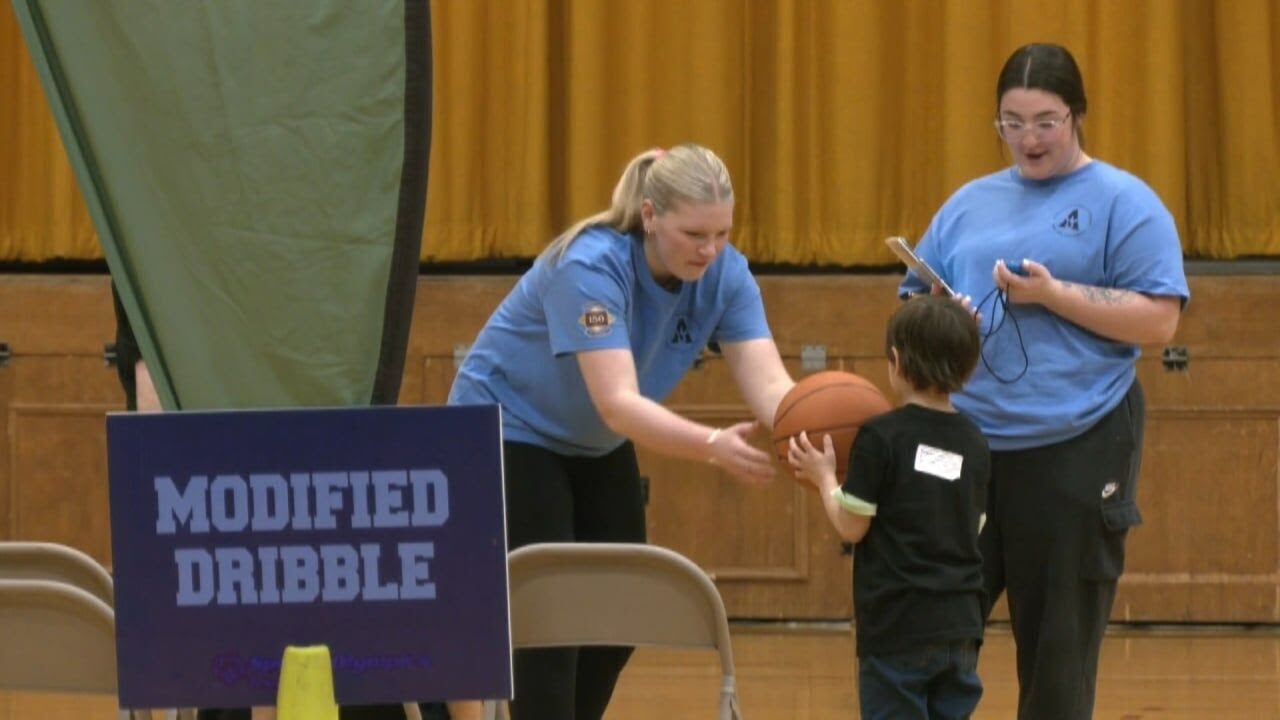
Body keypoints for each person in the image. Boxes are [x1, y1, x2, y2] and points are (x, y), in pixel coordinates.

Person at [448, 143, 795, 719]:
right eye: (694, 234)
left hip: (593, 443)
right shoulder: (590, 264)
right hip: (506, 428)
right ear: (651, 217)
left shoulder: (725, 275)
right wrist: (712, 445)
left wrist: (816, 431)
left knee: (618, 618)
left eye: (722, 233)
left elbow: (770, 387)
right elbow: (617, 404)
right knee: (551, 626)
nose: (709, 250)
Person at [898, 43, 1190, 719]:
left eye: (1046, 121)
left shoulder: (1125, 203)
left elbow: (1159, 321)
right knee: (931, 623)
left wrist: (1053, 295)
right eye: (1013, 121)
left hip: (1075, 444)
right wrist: (941, 314)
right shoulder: (969, 204)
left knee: (1058, 651)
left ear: (1077, 117)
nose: (1028, 138)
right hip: (964, 442)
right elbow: (912, 300)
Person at [788, 295, 988, 720]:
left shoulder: (881, 437)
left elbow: (851, 525)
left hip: (898, 626)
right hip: (962, 627)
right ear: (969, 366)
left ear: (895, 361)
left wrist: (824, 477)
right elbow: (975, 523)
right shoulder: (975, 441)